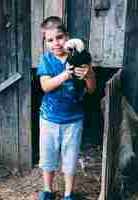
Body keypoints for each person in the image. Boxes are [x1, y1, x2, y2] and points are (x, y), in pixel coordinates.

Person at [36, 16, 96, 200]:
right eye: (50, 40)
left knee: (70, 159)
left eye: (59, 37)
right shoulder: (46, 60)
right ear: (45, 42)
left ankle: (69, 194)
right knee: (48, 158)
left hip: (73, 119)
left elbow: (92, 90)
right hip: (49, 118)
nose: (56, 43)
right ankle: (47, 190)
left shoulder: (79, 57)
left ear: (68, 37)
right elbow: (45, 86)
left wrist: (88, 75)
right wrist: (65, 75)